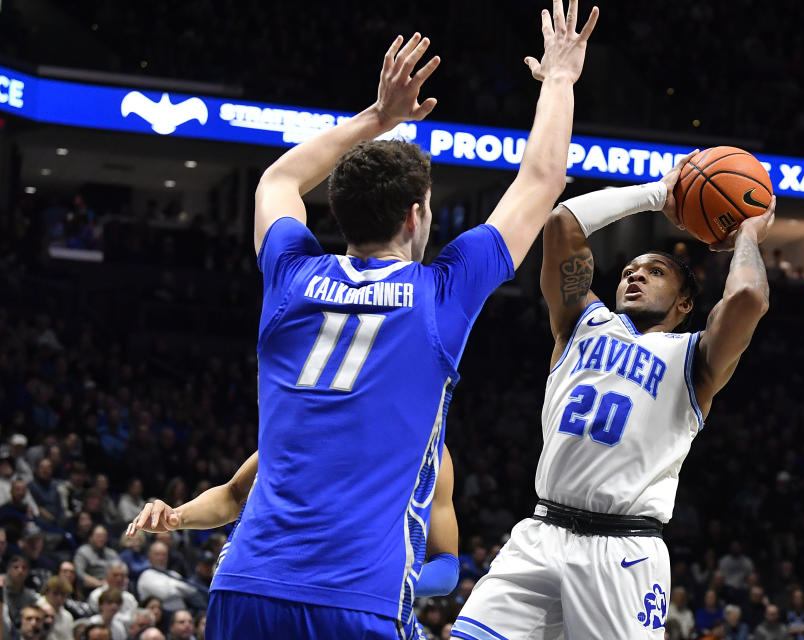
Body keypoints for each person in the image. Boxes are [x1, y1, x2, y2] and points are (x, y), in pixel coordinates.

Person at [128, 2, 597, 636]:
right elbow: (542, 179)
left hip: (244, 585)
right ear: (415, 217)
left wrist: (379, 118)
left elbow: (279, 178)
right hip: (354, 597)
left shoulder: (290, 276)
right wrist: (561, 79)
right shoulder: (440, 294)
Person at [453, 139, 774, 637]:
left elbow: (750, 296)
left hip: (623, 551)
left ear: (687, 302)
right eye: (629, 270)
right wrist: (657, 193)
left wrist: (750, 231)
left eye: (655, 271)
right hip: (541, 533)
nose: (635, 276)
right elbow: (562, 223)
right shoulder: (580, 321)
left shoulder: (695, 358)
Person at [131, 443, 462, 634]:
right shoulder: (302, 412)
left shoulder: (430, 449)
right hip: (251, 590)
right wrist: (177, 516)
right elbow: (234, 494)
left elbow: (446, 566)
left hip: (348, 608)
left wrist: (376, 581)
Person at [136, 541, 204, 612]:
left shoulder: (172, 573)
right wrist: (179, 588)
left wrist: (171, 588)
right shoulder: (146, 575)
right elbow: (164, 594)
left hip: (182, 612)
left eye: (164, 554)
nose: (161, 558)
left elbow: (191, 590)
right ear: (149, 556)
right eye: (157, 554)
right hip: (162, 616)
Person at [74, 525, 120, 590]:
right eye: (98, 536)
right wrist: (99, 583)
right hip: (92, 588)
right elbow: (80, 573)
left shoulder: (112, 553)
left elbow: (120, 569)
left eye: (104, 536)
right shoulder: (83, 552)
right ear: (90, 537)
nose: (101, 539)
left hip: (112, 587)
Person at [38, 576, 75, 640]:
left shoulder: (67, 616)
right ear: (46, 592)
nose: (59, 598)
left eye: (63, 594)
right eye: (55, 593)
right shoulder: (36, 609)